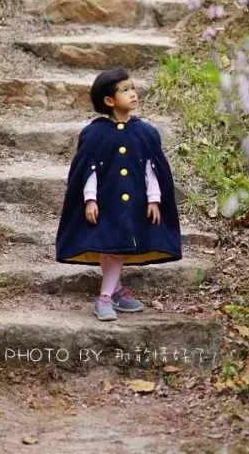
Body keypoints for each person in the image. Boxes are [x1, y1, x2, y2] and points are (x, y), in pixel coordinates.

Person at [55, 67, 183, 321]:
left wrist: (155, 201)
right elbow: (88, 171)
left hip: (135, 205)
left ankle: (115, 291)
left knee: (114, 248)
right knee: (111, 248)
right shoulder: (94, 134)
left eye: (133, 88)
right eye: (125, 90)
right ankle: (104, 297)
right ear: (109, 101)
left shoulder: (146, 133)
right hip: (105, 205)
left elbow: (152, 169)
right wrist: (89, 199)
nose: (133, 93)